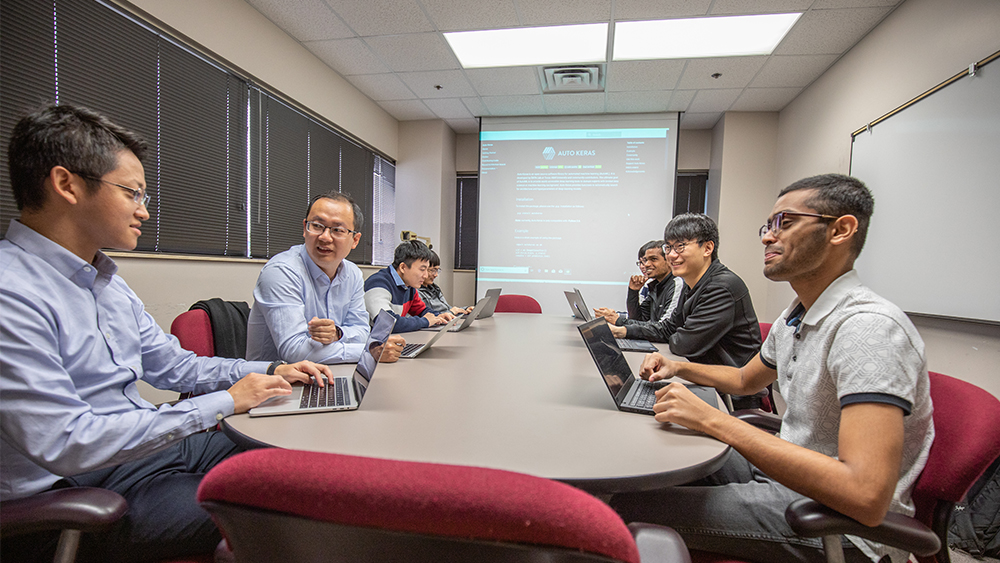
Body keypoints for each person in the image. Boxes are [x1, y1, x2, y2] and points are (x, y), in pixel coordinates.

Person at [0, 104, 332, 563]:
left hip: (137, 455)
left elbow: (176, 366)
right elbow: (68, 441)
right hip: (68, 497)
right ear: (67, 185)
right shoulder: (11, 292)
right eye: (133, 193)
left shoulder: (107, 282)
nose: (145, 211)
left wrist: (274, 369)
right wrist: (226, 401)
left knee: (295, 454)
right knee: (276, 509)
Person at [611, 174, 934, 563]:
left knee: (622, 506)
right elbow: (747, 378)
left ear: (842, 229)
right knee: (654, 455)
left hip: (838, 520)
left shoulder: (868, 328)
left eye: (787, 223)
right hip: (786, 468)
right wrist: (678, 367)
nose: (767, 237)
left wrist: (713, 421)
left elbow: (864, 495)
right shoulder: (798, 315)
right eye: (768, 226)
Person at [245, 192, 404, 364]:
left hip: (328, 372)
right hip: (276, 383)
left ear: (355, 240)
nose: (325, 237)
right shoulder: (282, 271)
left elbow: (361, 331)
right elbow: (294, 351)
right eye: (317, 226)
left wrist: (338, 334)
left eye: (337, 230)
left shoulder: (353, 274)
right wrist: (369, 351)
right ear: (305, 228)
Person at [603, 214, 761, 371]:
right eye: (669, 248)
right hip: (706, 376)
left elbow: (684, 345)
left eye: (680, 246)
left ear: (707, 248)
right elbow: (667, 329)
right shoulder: (691, 284)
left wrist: (674, 333)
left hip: (729, 391)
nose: (671, 255)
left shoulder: (722, 287)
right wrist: (623, 331)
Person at [594, 240, 683, 340]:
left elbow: (664, 328)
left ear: (668, 260)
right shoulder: (656, 286)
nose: (647, 264)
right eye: (645, 260)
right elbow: (638, 318)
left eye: (653, 259)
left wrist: (619, 321)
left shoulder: (677, 283)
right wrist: (633, 292)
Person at [364, 240, 451, 333]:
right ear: (402, 267)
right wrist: (425, 321)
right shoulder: (378, 284)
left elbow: (422, 310)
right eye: (422, 269)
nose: (425, 275)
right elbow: (387, 323)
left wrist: (438, 316)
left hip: (392, 340)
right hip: (371, 344)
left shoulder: (408, 287)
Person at [418, 250, 473, 316]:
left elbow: (447, 308)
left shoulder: (435, 288)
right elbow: (427, 317)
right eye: (432, 270)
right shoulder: (416, 292)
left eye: (437, 270)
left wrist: (465, 310)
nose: (436, 275)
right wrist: (451, 313)